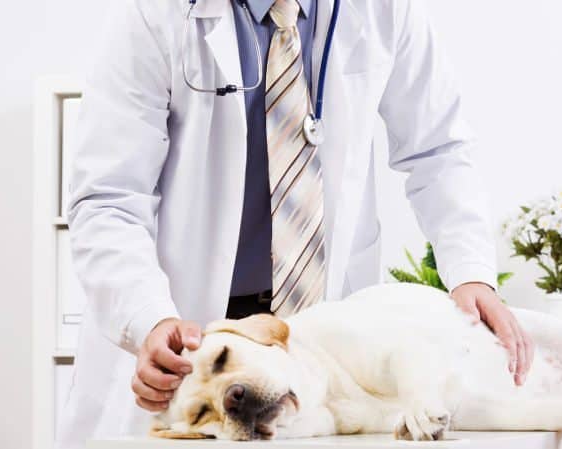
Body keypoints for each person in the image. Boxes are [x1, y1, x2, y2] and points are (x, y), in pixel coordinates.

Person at [60, 0, 534, 447]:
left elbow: (438, 151)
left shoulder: (380, 9)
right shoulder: (157, 15)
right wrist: (148, 317)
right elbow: (108, 198)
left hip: (323, 339)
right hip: (191, 335)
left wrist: (471, 272)